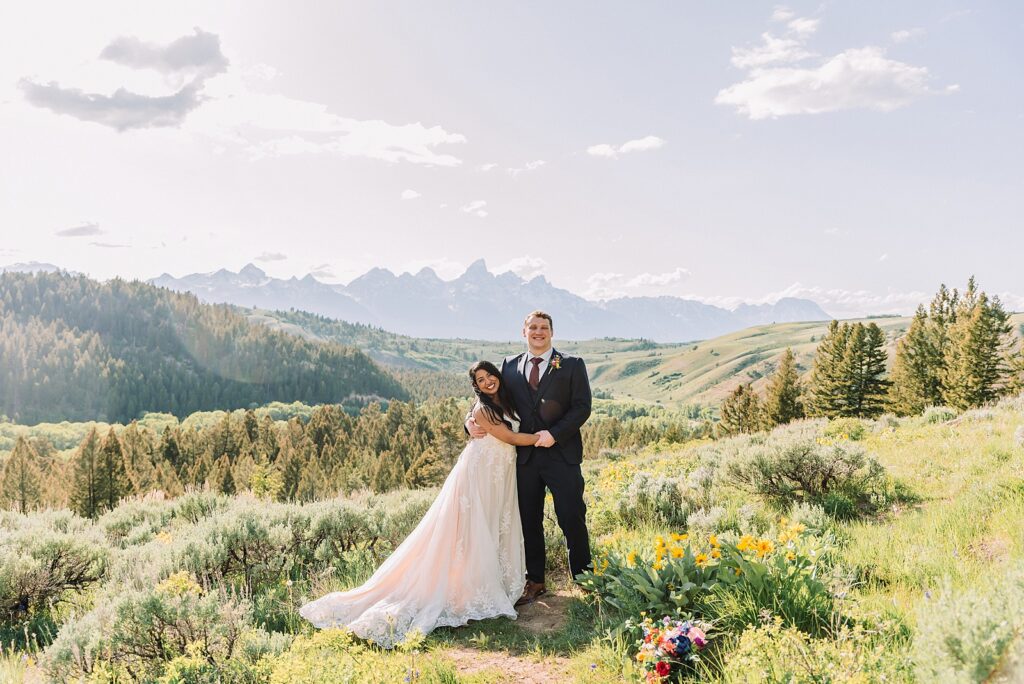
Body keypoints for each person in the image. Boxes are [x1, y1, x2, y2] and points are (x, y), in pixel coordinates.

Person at [299, 361, 538, 647]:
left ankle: (483, 586)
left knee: (490, 526)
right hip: (479, 475)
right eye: (481, 379)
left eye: (490, 376)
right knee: (470, 532)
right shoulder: (482, 409)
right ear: (476, 385)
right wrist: (542, 438)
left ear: (498, 377)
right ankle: (468, 593)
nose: (488, 382)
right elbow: (509, 436)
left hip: (499, 476)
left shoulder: (506, 398)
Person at [466, 310, 593, 606]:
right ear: (523, 332)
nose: (538, 332)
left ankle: (585, 577)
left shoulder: (572, 365)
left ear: (552, 332)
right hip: (523, 459)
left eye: (544, 327)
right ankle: (535, 580)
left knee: (572, 515)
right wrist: (469, 421)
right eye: (533, 327)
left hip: (562, 454)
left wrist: (556, 433)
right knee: (528, 521)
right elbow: (489, 399)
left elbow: (582, 407)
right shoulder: (509, 366)